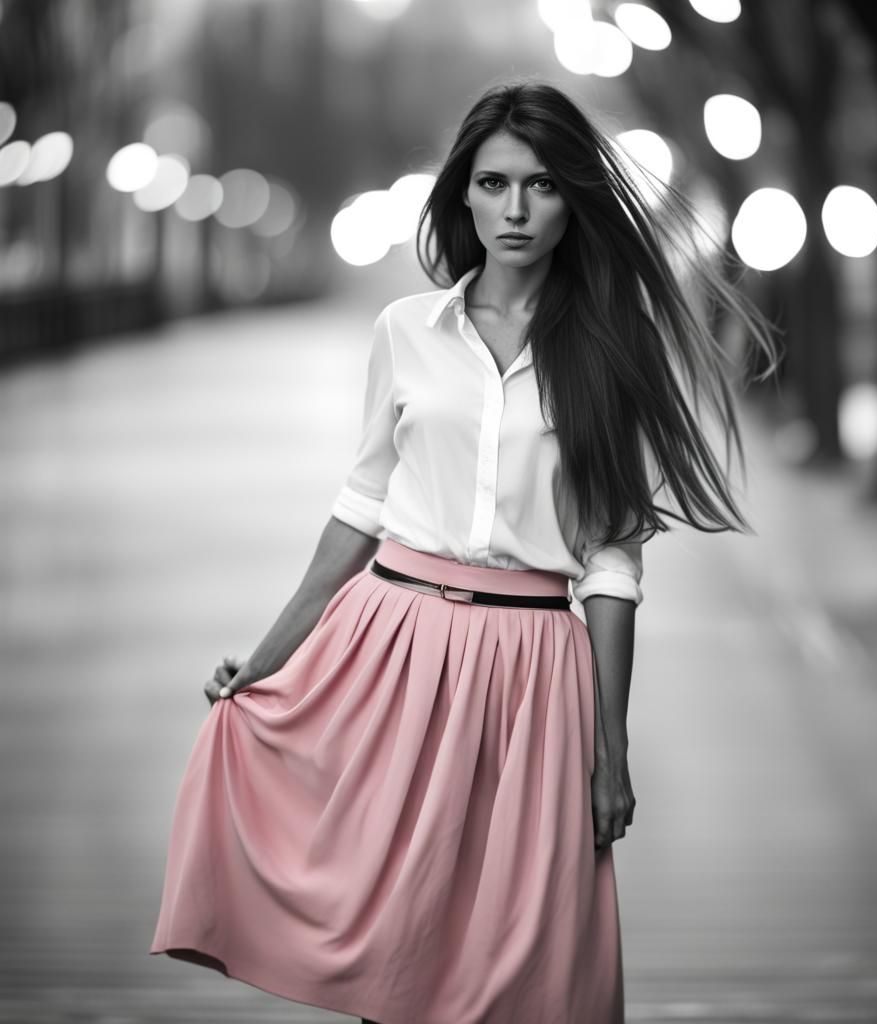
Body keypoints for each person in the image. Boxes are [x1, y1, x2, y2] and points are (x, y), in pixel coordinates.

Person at [149, 81, 775, 1024]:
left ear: (572, 199)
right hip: (390, 653)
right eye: (494, 183)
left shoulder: (611, 350)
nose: (516, 209)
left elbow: (612, 562)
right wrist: (268, 663)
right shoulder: (405, 331)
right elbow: (359, 513)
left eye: (542, 185)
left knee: (520, 963)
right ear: (464, 195)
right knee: (391, 948)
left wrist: (611, 749)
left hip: (533, 674)